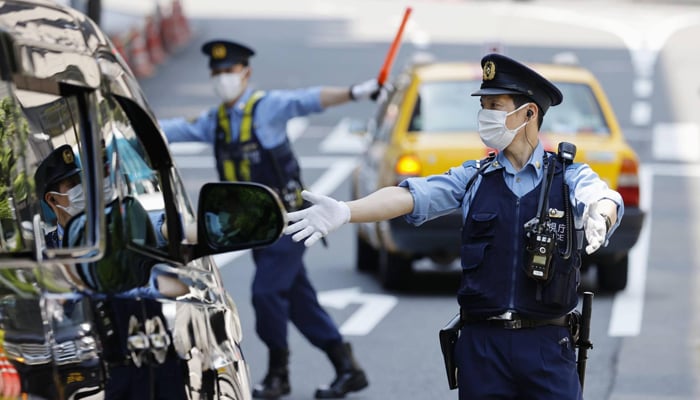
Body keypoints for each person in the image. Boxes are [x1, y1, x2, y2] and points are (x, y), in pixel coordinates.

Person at [285, 53, 625, 400]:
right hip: (483, 349)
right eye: (484, 105)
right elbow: (411, 195)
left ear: (528, 113)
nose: (485, 114)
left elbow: (603, 196)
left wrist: (602, 213)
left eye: (496, 105)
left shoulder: (567, 175)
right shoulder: (475, 177)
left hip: (547, 348)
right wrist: (345, 211)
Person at [159, 39, 375, 399]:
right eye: (217, 74)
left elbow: (309, 99)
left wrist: (354, 92)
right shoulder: (216, 121)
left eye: (229, 71)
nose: (222, 79)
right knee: (298, 299)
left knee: (266, 293)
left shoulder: (267, 107)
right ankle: (348, 368)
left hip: (289, 222)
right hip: (250, 227)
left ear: (246, 73)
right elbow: (173, 129)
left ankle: (278, 373)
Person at [33, 144, 188, 400]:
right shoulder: (45, 253)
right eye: (72, 184)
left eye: (80, 180)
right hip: (86, 372)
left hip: (146, 359)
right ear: (52, 199)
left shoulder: (118, 225)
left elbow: (164, 228)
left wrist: (170, 231)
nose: (82, 188)